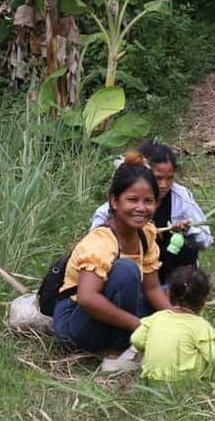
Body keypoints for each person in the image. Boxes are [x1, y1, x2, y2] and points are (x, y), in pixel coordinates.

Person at [53, 153, 172, 357]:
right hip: (77, 322)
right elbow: (87, 298)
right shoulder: (102, 241)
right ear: (115, 202)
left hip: (111, 308)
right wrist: (137, 324)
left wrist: (175, 320)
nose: (141, 208)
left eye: (148, 201)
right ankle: (117, 351)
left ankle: (143, 333)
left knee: (177, 290)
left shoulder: (145, 234)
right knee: (126, 271)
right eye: (132, 200)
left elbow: (151, 288)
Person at [91, 141, 213, 284]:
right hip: (127, 269)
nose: (164, 185)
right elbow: (95, 247)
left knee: (185, 249)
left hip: (162, 267)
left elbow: (205, 239)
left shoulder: (180, 197)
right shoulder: (110, 210)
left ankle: (176, 292)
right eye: (158, 178)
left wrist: (188, 230)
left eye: (169, 178)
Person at [130, 266, 215, 381]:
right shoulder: (201, 326)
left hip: (152, 378)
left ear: (168, 294)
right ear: (204, 302)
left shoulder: (155, 318)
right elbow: (214, 357)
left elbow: (136, 338)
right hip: (186, 378)